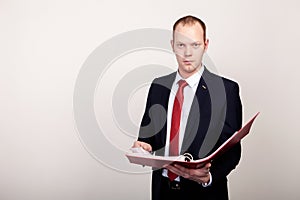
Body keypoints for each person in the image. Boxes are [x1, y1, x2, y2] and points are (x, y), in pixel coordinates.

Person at [132, 15, 242, 200]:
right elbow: (147, 137)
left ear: (205, 45)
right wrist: (142, 147)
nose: (188, 53)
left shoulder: (226, 90)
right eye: (181, 45)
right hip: (163, 191)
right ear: (172, 45)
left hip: (205, 193)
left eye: (195, 45)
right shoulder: (158, 87)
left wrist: (209, 177)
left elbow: (232, 150)